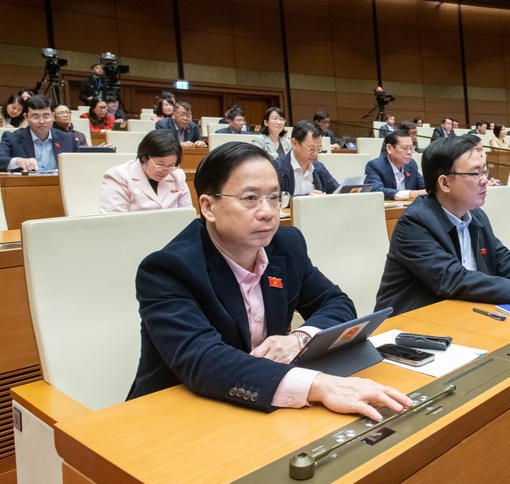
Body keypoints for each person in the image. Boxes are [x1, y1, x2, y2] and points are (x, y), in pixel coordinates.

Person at [128, 142, 412, 420]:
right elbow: (203, 360)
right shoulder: (169, 268)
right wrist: (318, 385)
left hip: (258, 409)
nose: (267, 212)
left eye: (275, 197)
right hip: (176, 413)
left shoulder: (285, 246)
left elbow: (336, 303)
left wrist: (299, 339)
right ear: (208, 207)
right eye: (250, 198)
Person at [375, 136, 510, 316]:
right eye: (475, 173)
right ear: (444, 183)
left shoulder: (475, 215)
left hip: (461, 313)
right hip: (411, 325)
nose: (485, 180)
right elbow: (453, 279)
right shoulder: (415, 223)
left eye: (484, 171)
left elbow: (501, 259)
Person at [99, 129, 192, 213]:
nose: (165, 170)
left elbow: (187, 215)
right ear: (144, 157)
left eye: (171, 165)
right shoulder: (118, 177)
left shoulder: (177, 175)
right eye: (160, 165)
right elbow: (115, 222)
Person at [0, 95, 79, 172]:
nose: (41, 121)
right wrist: (18, 161)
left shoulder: (68, 139)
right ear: (26, 117)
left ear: (53, 116)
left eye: (46, 116)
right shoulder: (12, 138)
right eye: (35, 117)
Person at [276, 120, 338, 195]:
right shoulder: (277, 168)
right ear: (294, 143)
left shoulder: (319, 167)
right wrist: (306, 198)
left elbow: (336, 190)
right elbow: (274, 199)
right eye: (311, 149)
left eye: (318, 149)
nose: (315, 154)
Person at [364, 130, 426, 200]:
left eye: (411, 148)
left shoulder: (411, 164)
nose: (409, 152)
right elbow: (376, 190)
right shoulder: (375, 166)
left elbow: (424, 185)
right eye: (405, 148)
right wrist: (410, 194)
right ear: (389, 148)